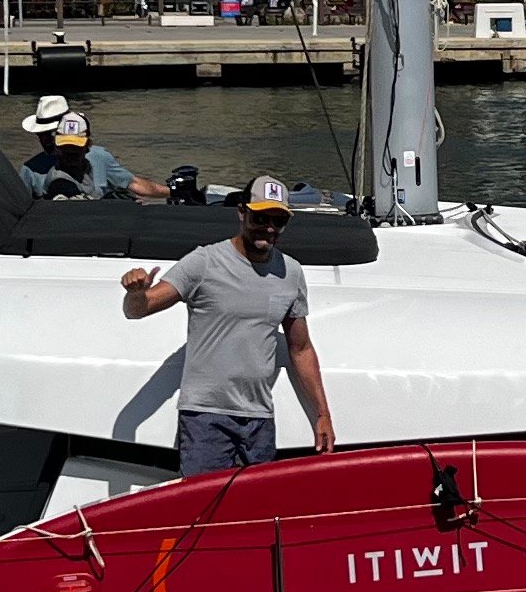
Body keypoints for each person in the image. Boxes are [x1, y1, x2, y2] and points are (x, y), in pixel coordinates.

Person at [120, 175, 338, 472]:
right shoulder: (204, 262)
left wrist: (322, 414)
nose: (270, 228)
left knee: (252, 515)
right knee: (203, 510)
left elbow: (300, 348)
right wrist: (135, 294)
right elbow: (139, 310)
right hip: (205, 418)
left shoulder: (291, 273)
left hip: (259, 419)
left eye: (279, 220)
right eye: (261, 217)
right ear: (242, 212)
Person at [21, 100, 163, 202]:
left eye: (50, 134)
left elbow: (133, 184)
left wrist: (173, 191)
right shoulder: (30, 170)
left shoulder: (99, 157)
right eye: (41, 134)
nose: (45, 140)